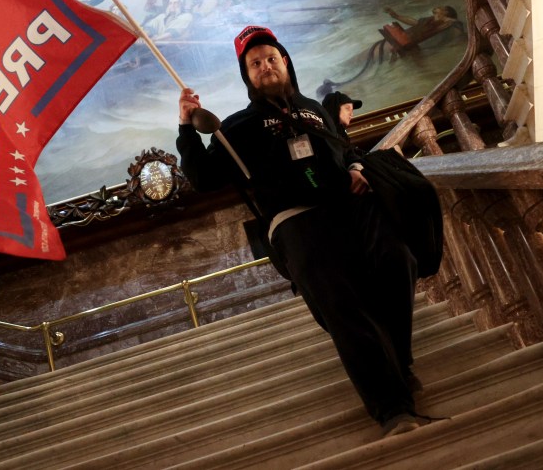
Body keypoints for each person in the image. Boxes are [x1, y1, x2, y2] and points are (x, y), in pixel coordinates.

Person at [176, 25, 426, 436]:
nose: (265, 66)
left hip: (351, 207)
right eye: (254, 64)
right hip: (296, 222)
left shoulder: (315, 107)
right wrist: (187, 127)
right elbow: (202, 177)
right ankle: (392, 406)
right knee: (341, 306)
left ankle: (399, 358)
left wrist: (356, 167)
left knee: (398, 260)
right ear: (247, 76)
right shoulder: (236, 127)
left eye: (271, 58)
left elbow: (343, 148)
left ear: (285, 61)